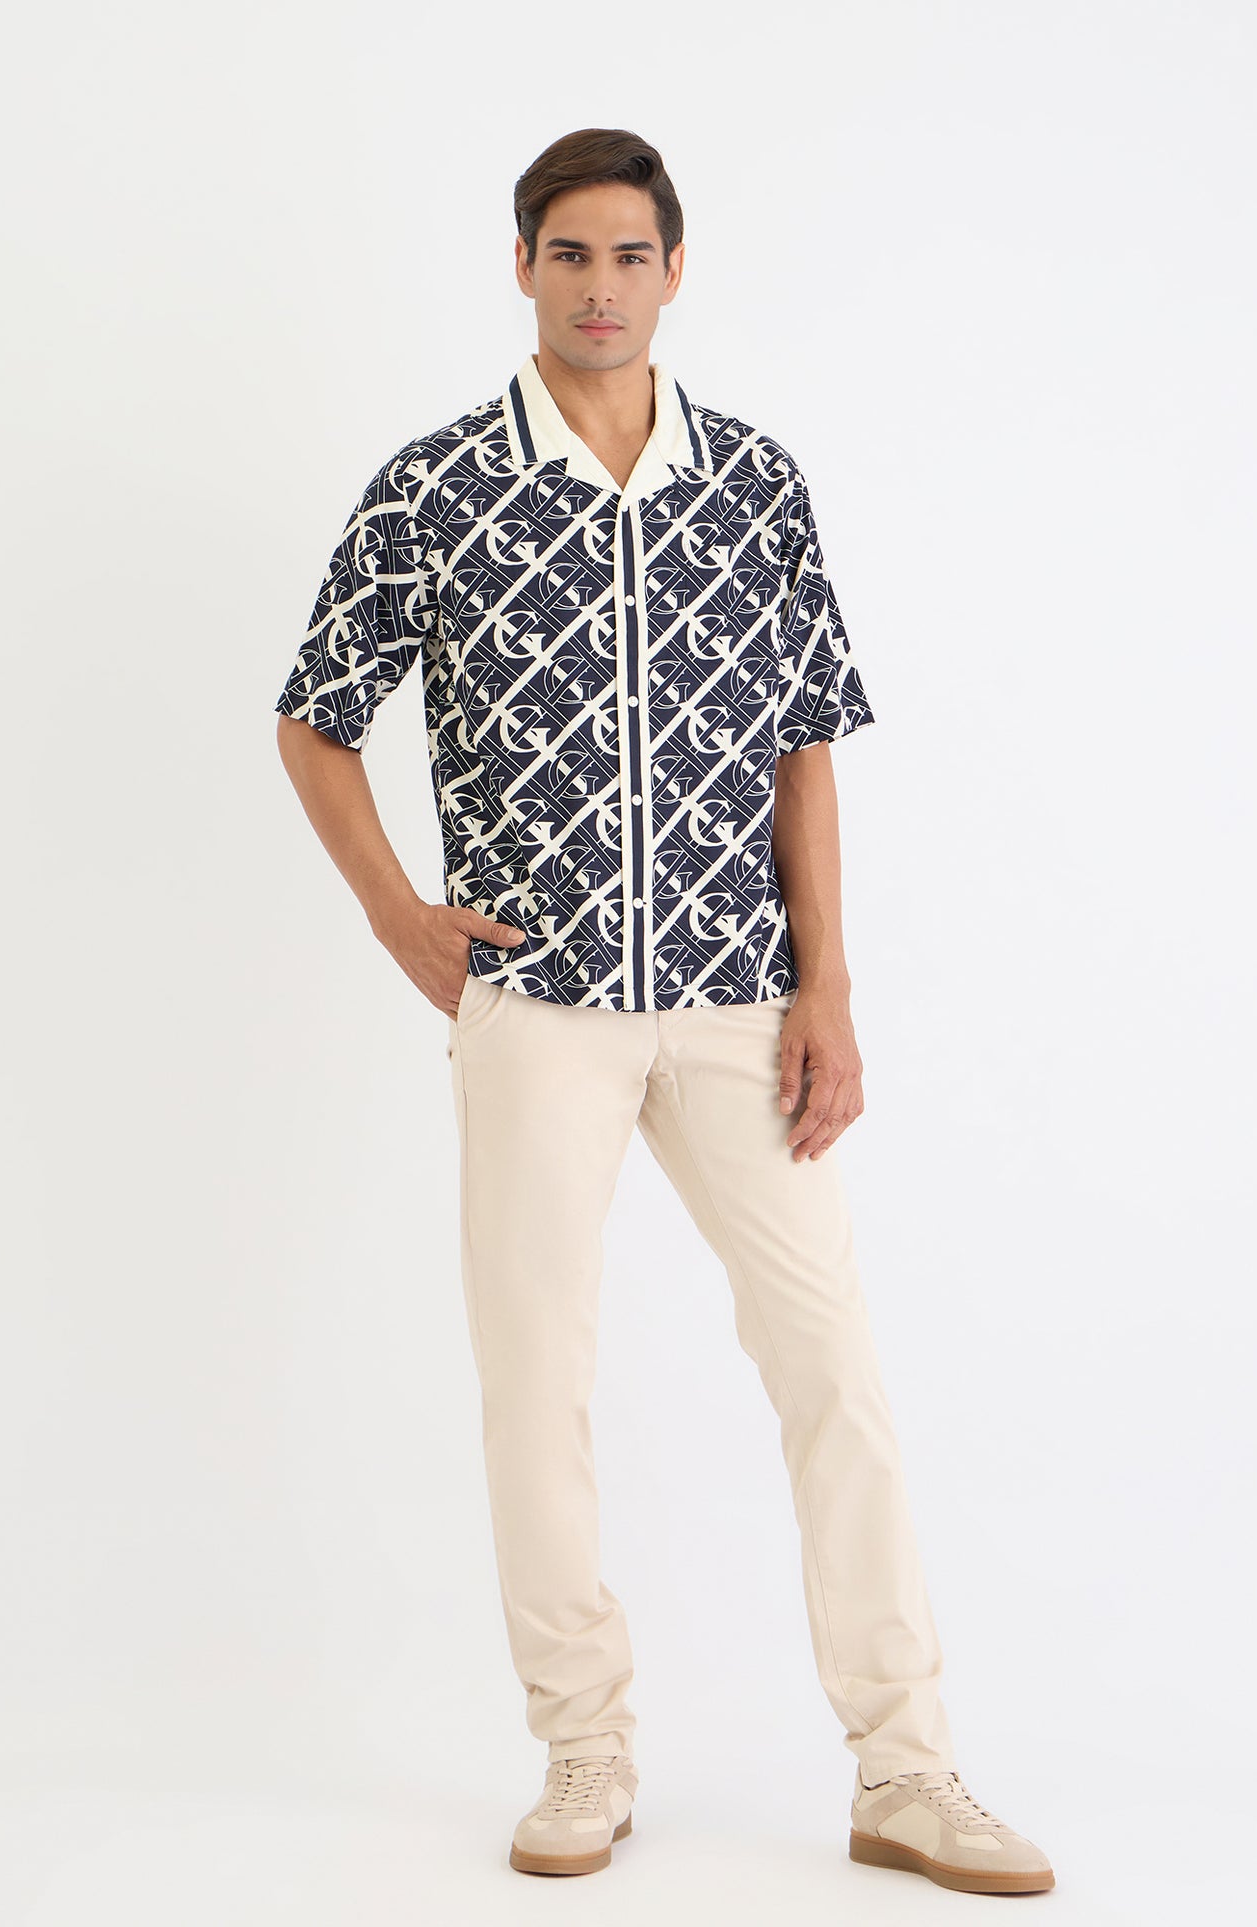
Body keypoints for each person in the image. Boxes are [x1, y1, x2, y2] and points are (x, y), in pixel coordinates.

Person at [272, 127, 1054, 1895]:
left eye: (630, 254)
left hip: (733, 999)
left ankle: (905, 1768)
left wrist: (827, 986)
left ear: (674, 269)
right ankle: (584, 1749)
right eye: (568, 253)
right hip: (535, 1002)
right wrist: (399, 916)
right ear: (522, 267)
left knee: (831, 1368)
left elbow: (803, 742)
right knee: (533, 1380)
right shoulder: (434, 488)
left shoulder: (753, 481)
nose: (600, 286)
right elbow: (315, 715)